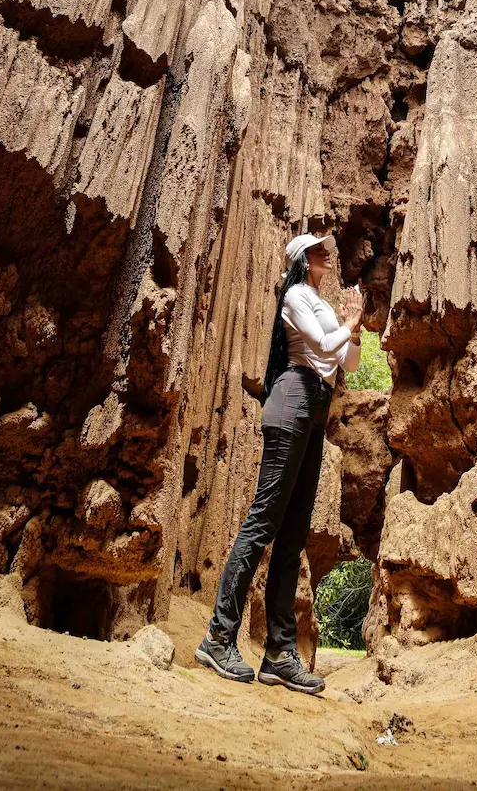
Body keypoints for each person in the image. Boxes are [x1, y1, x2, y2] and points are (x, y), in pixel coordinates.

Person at [196, 229, 362, 696]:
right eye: (318, 250)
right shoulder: (294, 296)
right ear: (303, 259)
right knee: (263, 521)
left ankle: (279, 654)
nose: (327, 253)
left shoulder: (322, 303)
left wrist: (355, 324)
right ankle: (218, 636)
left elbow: (347, 361)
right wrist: (347, 327)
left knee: (293, 533)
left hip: (316, 408)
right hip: (292, 400)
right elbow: (326, 348)